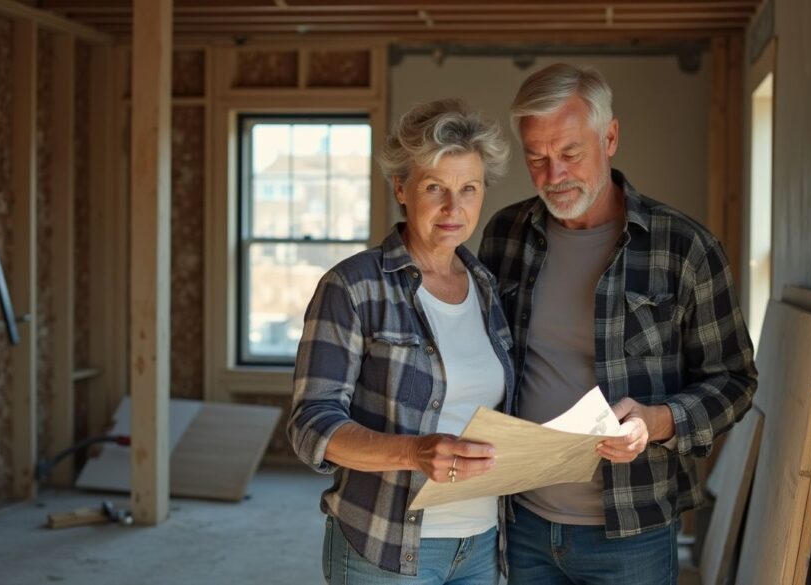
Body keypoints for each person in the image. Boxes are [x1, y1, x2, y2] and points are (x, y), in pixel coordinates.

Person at [479, 64, 759, 584]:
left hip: (634, 527)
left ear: (610, 137)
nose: (553, 174)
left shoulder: (684, 248)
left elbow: (736, 381)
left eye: (569, 153)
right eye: (536, 157)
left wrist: (658, 422)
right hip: (524, 522)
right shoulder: (505, 235)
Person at [289, 99, 516, 584]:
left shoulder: (489, 289)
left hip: (481, 545)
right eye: (435, 187)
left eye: (469, 189)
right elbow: (312, 425)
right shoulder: (352, 286)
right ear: (401, 187)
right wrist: (414, 453)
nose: (454, 207)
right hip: (384, 546)